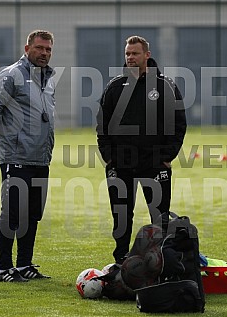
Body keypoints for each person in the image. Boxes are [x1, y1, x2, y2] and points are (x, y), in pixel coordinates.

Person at [96, 35, 187, 265]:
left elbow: (178, 123)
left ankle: (161, 261)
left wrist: (167, 156)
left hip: (155, 163)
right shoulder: (115, 86)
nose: (130, 58)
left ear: (147, 55)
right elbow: (102, 125)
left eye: (135, 53)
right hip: (121, 164)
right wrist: (108, 157)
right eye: (127, 54)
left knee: (160, 217)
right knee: (121, 216)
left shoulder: (165, 85)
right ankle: (120, 260)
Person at [0, 30, 56, 282]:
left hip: (40, 158)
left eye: (48, 49)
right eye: (39, 48)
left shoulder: (48, 78)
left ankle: (24, 265)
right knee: (12, 214)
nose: (44, 53)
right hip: (16, 156)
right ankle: (4, 269)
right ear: (27, 49)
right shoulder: (12, 74)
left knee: (32, 214)